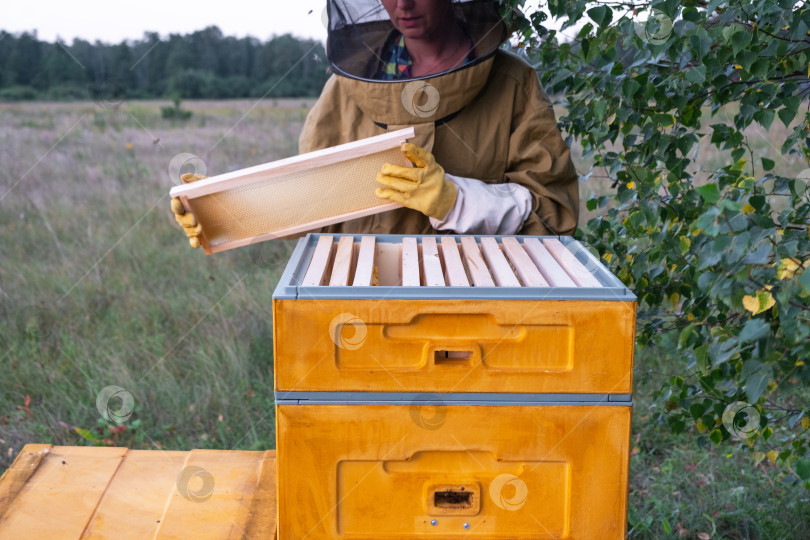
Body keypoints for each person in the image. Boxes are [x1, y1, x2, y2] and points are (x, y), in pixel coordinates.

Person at [173, 0, 578, 246]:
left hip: (476, 306)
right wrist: (225, 209)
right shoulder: (344, 89)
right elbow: (315, 199)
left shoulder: (513, 83)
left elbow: (554, 213)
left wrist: (458, 202)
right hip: (360, 310)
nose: (402, 4)